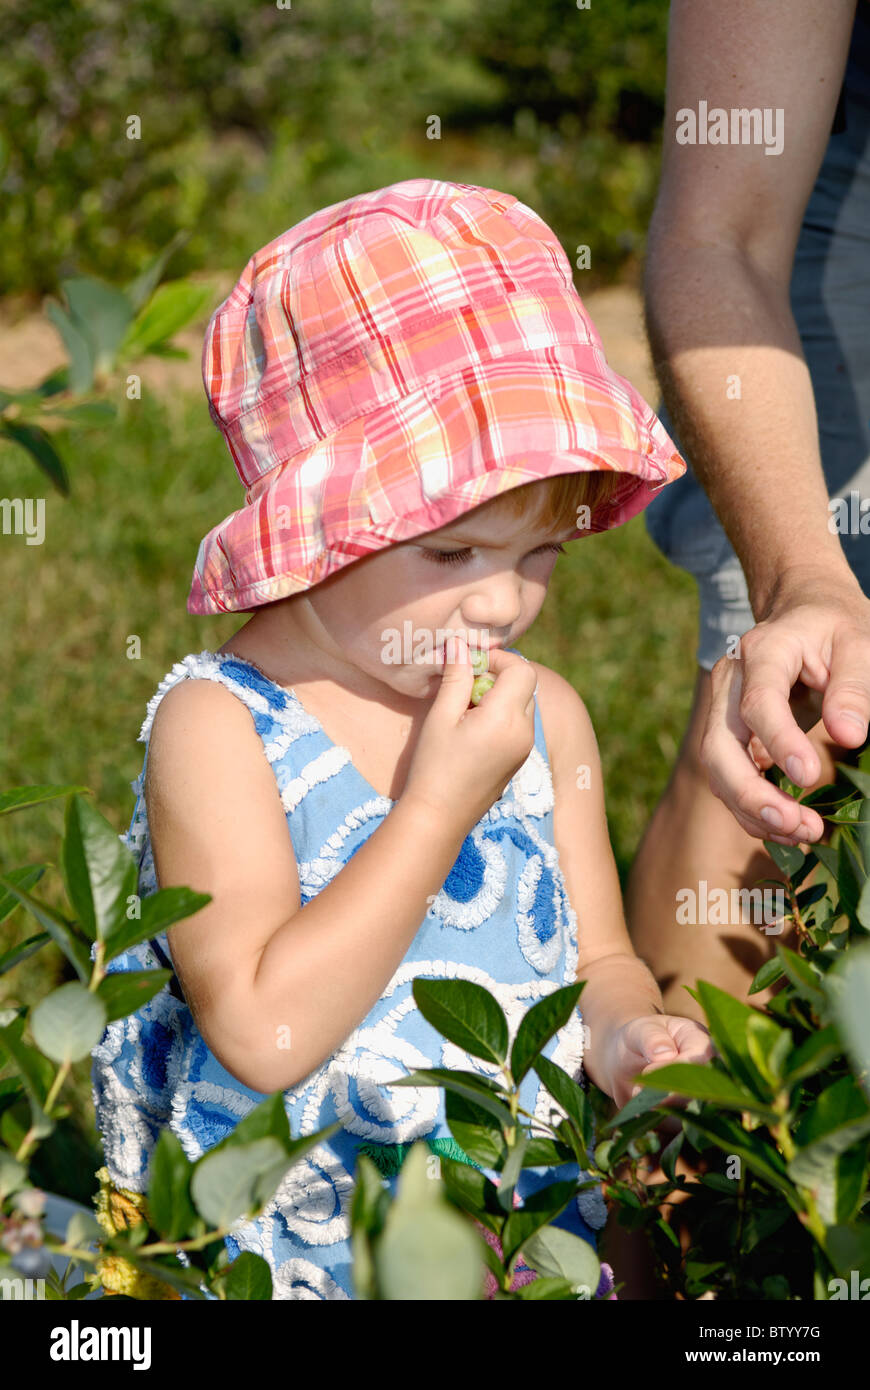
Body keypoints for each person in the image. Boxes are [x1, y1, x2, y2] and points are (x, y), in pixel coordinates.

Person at [90, 178, 712, 1301]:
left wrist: (626, 1037)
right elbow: (266, 1030)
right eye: (449, 555)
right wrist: (433, 811)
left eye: (537, 559)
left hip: (520, 1244)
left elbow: (597, 960)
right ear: (319, 524)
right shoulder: (221, 725)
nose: (500, 608)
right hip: (298, 1261)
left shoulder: (542, 714)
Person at [628, 0, 870, 1019]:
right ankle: (692, 1161)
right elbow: (719, 235)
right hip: (842, 199)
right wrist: (801, 576)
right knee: (786, 715)